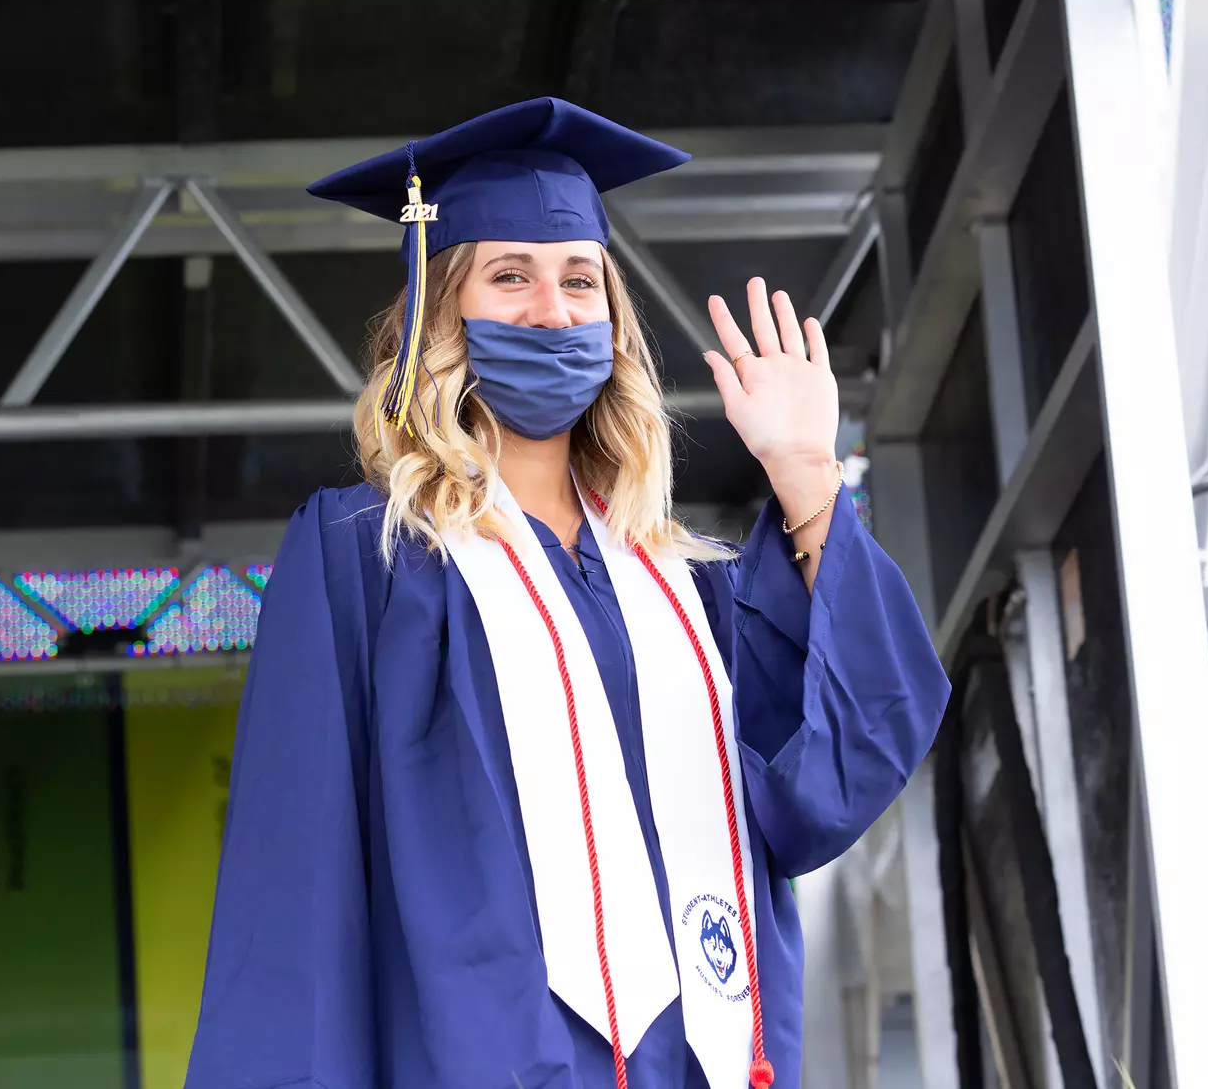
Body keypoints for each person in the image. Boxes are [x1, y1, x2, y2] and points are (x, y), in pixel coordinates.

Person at [184, 97, 949, 1089]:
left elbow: (835, 780)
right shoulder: (361, 561)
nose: (553, 309)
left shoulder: (687, 592)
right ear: (442, 311)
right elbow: (296, 898)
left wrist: (806, 473)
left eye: (579, 280)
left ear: (612, 318)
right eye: (511, 276)